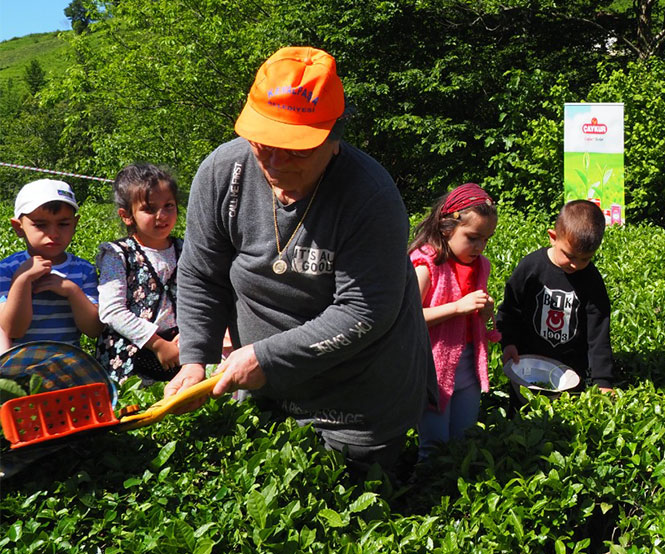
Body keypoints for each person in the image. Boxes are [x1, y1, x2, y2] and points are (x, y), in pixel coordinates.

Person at [165, 46, 435, 475]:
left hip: (357, 399)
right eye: (263, 144)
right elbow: (202, 272)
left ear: (333, 138)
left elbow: (364, 311)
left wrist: (265, 359)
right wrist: (195, 357)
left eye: (295, 150)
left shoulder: (370, 197)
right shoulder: (222, 172)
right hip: (261, 387)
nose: (273, 163)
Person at [408, 183, 500, 462]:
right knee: (434, 444)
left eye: (486, 239)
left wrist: (483, 312)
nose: (480, 246)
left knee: (463, 440)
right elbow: (407, 318)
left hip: (469, 364)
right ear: (447, 227)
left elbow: (474, 321)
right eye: (473, 237)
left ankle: (457, 497)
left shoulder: (480, 265)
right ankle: (427, 499)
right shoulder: (426, 263)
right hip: (433, 368)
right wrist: (458, 308)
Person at [497, 200, 614, 392]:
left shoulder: (591, 280)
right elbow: (510, 309)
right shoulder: (531, 267)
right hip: (527, 366)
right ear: (553, 237)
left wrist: (603, 381)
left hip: (572, 373)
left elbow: (598, 333)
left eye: (585, 258)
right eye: (569, 255)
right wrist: (508, 342)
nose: (575, 264)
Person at [96, 163, 184, 383]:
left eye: (168, 206)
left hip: (180, 347)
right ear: (127, 216)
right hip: (131, 354)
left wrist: (190, 334)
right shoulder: (118, 254)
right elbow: (112, 310)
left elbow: (200, 296)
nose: (161, 215)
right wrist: (157, 343)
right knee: (137, 410)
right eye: (149, 209)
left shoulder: (186, 249)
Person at [0, 179, 101, 346]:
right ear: (19, 227)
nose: (53, 233)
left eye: (63, 224)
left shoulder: (83, 270)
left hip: (67, 365)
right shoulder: (7, 269)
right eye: (40, 225)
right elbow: (13, 330)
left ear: (74, 224)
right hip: (19, 367)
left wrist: (72, 291)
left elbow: (93, 330)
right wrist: (22, 281)